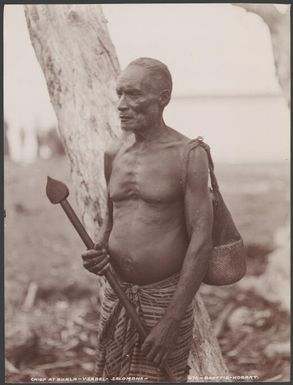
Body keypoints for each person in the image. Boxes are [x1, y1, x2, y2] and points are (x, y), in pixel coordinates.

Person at [81, 57, 213, 382]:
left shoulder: (188, 154)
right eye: (119, 94)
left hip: (164, 300)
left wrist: (171, 320)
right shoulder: (114, 154)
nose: (122, 105)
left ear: (163, 97)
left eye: (134, 95)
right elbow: (113, 219)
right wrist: (99, 250)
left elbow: (201, 241)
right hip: (117, 293)